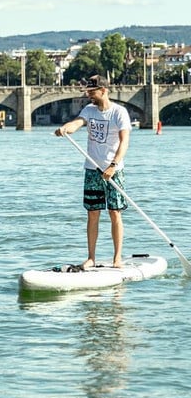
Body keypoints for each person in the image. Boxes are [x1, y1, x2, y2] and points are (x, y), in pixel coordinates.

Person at [54, 74, 131, 269]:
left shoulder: (119, 112)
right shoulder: (89, 110)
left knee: (114, 212)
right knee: (93, 213)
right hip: (92, 170)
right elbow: (77, 123)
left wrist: (113, 165)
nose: (89, 95)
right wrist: (65, 128)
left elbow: (125, 142)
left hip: (113, 170)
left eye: (92, 92)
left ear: (103, 91)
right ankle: (91, 258)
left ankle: (117, 258)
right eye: (88, 92)